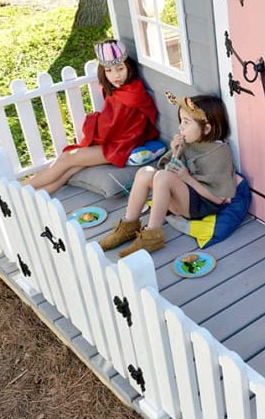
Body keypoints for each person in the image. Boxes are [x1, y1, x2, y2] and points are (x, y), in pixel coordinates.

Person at [100, 93, 237, 258]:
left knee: (162, 177)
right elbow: (171, 170)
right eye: (181, 121)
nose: (181, 127)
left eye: (186, 122)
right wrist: (175, 152)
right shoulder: (188, 142)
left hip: (200, 205)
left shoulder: (219, 152)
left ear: (207, 128)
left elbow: (218, 199)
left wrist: (186, 178)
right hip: (181, 199)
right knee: (145, 172)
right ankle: (128, 226)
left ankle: (152, 235)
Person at [23, 39, 159, 194]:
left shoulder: (130, 94)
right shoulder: (122, 90)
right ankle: (29, 197)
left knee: (67, 158)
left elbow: (111, 128)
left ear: (128, 67)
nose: (115, 75)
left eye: (120, 69)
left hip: (121, 145)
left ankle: (19, 189)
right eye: (109, 70)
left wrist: (92, 124)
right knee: (71, 169)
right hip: (120, 141)